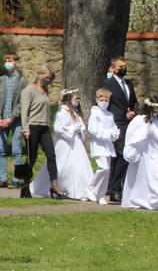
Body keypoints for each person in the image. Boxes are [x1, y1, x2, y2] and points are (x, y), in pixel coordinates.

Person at [30, 89, 94, 200]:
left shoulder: (74, 113)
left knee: (79, 166)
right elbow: (58, 128)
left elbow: (79, 126)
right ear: (68, 100)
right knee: (63, 165)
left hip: (76, 143)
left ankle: (81, 190)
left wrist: (78, 130)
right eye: (75, 99)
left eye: (78, 99)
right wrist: (72, 129)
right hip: (65, 143)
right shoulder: (61, 113)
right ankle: (58, 187)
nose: (77, 101)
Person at [121, 96, 158, 210]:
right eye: (155, 108)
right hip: (144, 152)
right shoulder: (140, 119)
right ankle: (157, 198)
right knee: (151, 176)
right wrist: (143, 135)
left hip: (157, 151)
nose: (157, 110)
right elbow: (132, 135)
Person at [21, 65, 66, 198]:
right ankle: (25, 186)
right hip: (32, 126)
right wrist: (25, 128)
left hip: (44, 126)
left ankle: (54, 185)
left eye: (50, 78)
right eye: (47, 77)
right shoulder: (29, 90)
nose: (48, 80)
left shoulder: (45, 91)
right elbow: (25, 111)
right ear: (39, 74)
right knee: (31, 157)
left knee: (51, 155)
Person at [102, 56, 138, 203]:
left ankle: (113, 186)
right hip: (115, 123)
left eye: (124, 66)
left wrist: (134, 112)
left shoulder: (128, 84)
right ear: (113, 68)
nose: (123, 69)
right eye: (120, 67)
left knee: (119, 157)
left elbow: (134, 101)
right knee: (123, 154)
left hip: (129, 123)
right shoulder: (107, 84)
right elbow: (104, 103)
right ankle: (115, 188)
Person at [86, 88, 120, 205]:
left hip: (108, 145)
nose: (104, 102)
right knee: (103, 168)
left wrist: (115, 133)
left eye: (106, 100)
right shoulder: (94, 114)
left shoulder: (109, 115)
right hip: (99, 144)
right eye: (102, 99)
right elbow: (95, 131)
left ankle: (101, 195)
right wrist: (109, 133)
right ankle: (91, 187)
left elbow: (113, 129)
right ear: (97, 100)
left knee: (107, 171)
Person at [0, 52, 28, 189]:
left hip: (16, 121)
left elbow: (22, 102)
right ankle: (2, 178)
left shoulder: (22, 81)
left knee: (17, 150)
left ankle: (17, 179)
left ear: (16, 63)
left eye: (9, 60)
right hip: (1, 121)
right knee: (1, 150)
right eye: (6, 60)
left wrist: (11, 118)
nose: (7, 63)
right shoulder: (2, 79)